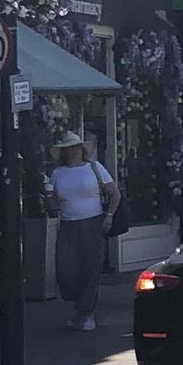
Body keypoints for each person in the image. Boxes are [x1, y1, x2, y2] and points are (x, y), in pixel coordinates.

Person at [48, 132, 121, 332]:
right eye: (68, 148)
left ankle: (86, 313)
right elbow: (53, 201)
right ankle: (79, 305)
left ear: (82, 149)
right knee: (66, 269)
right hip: (68, 224)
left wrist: (109, 216)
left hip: (93, 222)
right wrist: (47, 197)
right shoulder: (58, 173)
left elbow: (114, 194)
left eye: (75, 147)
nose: (72, 151)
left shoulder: (95, 168)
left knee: (90, 268)